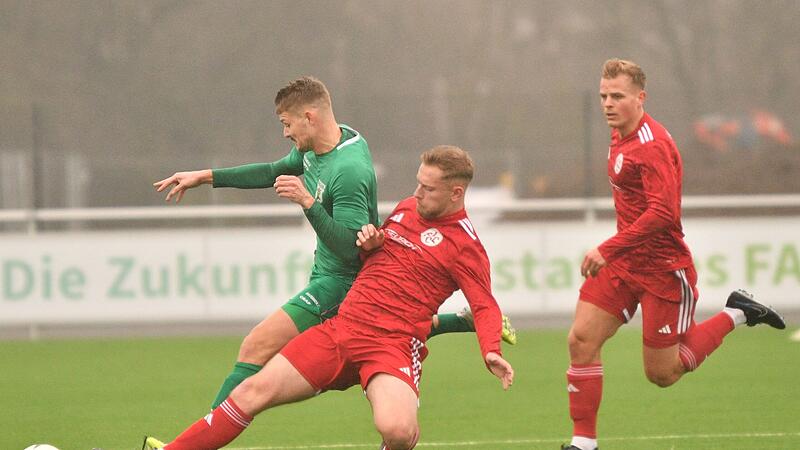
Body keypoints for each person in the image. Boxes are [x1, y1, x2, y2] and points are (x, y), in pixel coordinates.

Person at [153, 76, 517, 411]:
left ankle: (199, 437)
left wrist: (308, 204)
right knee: (270, 349)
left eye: (286, 123)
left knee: (256, 345)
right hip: (324, 273)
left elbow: (349, 249)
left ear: (309, 117)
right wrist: (206, 176)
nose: (284, 133)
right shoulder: (319, 147)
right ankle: (457, 321)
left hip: (342, 281)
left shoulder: (350, 171)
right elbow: (271, 171)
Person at [143, 145, 515, 450]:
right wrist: (372, 244)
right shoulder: (406, 209)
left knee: (398, 432)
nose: (416, 193)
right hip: (343, 330)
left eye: (428, 189)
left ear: (456, 193)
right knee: (251, 391)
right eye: (417, 184)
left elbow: (484, 303)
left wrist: (490, 350)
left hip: (392, 347)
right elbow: (379, 259)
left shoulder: (467, 247)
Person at [561, 59, 786, 450]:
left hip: (664, 272)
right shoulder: (619, 134)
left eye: (617, 96)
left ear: (640, 98)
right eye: (603, 96)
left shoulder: (653, 146)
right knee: (581, 339)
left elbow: (664, 213)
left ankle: (739, 312)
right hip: (625, 264)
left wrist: (607, 247)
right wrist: (617, 251)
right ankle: (584, 444)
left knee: (663, 374)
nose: (608, 104)